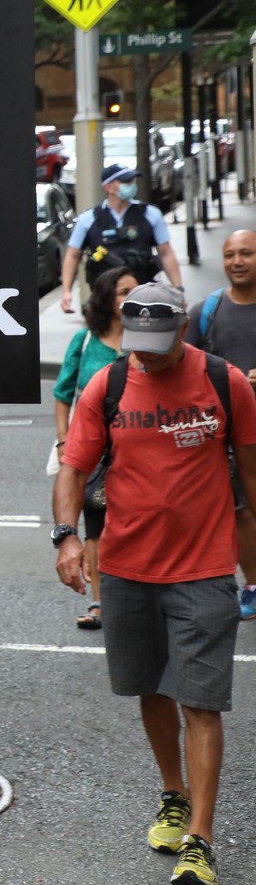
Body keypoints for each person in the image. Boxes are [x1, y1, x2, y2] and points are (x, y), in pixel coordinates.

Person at [55, 283, 256, 885]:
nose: (145, 357)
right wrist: (66, 536)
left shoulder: (226, 384)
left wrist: (255, 569)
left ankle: (201, 838)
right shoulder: (108, 385)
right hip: (125, 569)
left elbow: (250, 480)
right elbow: (73, 468)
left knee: (200, 702)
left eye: (157, 348)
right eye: (137, 346)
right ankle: (172, 791)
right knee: (150, 687)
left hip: (204, 570)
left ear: (184, 332)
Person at [55, 264, 137, 629]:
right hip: (93, 450)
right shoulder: (86, 341)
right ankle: (101, 601)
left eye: (135, 290)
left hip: (137, 448)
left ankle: (139, 592)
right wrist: (63, 440)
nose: (131, 298)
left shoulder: (146, 339)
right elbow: (62, 393)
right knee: (95, 523)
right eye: (123, 292)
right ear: (107, 298)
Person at [183, 228, 256, 621]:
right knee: (241, 509)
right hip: (228, 432)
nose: (237, 262)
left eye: (246, 253)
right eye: (230, 255)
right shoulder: (205, 311)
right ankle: (253, 584)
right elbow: (185, 369)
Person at [60, 163, 182, 312]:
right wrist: (67, 292)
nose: (131, 185)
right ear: (109, 187)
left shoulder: (150, 214)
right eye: (126, 182)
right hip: (104, 299)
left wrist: (178, 289)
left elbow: (166, 252)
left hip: (143, 296)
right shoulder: (88, 219)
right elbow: (73, 256)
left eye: (132, 181)